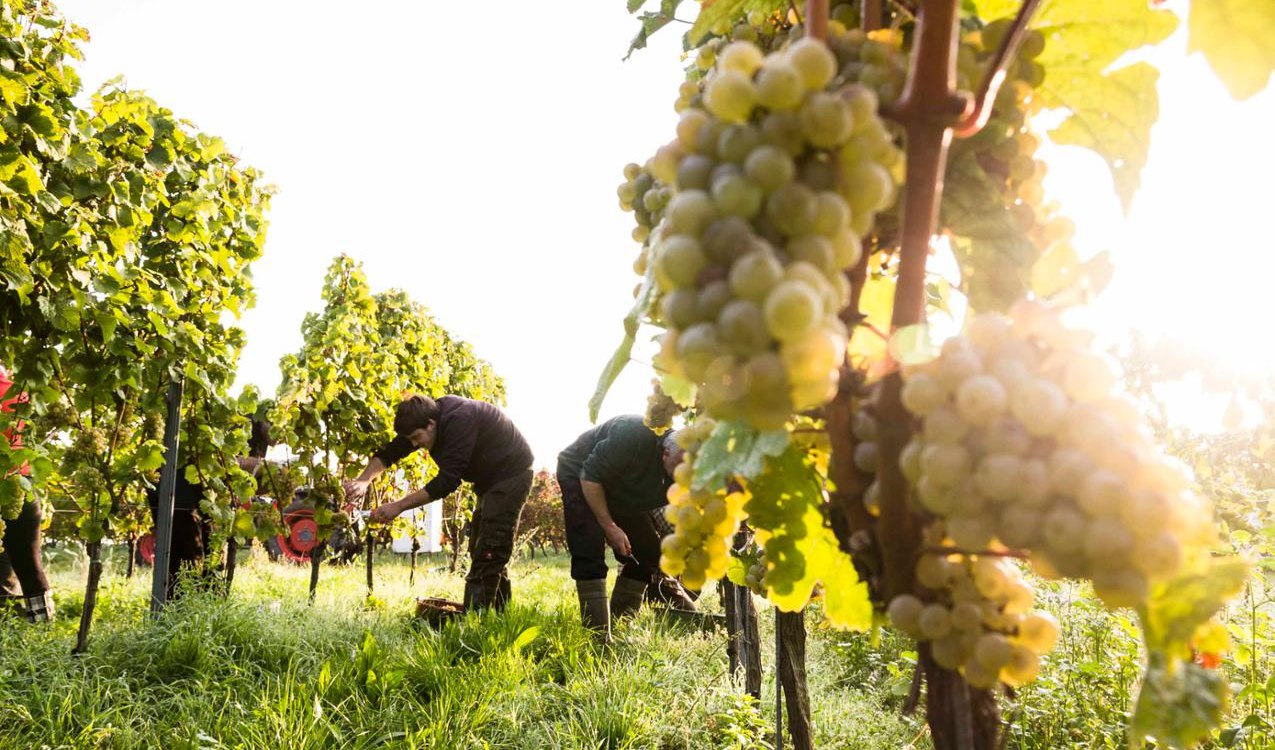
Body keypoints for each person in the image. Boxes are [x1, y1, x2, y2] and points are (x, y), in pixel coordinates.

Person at [344, 394, 534, 612]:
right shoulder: (426, 418)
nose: (416, 445)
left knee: (490, 549)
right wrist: (363, 481)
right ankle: (500, 614)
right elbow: (391, 452)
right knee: (481, 548)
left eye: (417, 438)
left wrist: (398, 506)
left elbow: (447, 481)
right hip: (489, 481)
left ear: (431, 424)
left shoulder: (460, 419)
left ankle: (474, 625)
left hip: (512, 475)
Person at [556, 414, 697, 636]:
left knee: (647, 552)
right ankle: (598, 637)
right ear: (665, 453)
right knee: (589, 546)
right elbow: (590, 476)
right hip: (581, 474)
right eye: (681, 466)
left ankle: (620, 623)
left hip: (621, 490)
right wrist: (610, 526)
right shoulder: (633, 433)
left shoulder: (682, 472)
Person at [0, 366, 53, 623]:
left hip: (5, 485)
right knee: (30, 568)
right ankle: (44, 628)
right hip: (23, 484)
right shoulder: (18, 389)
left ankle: (7, 626)